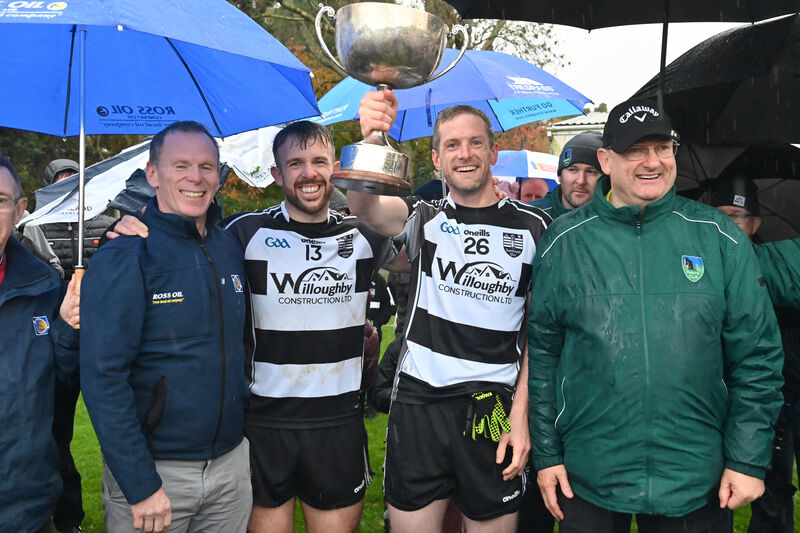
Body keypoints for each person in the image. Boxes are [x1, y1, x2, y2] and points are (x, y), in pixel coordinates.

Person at [529, 98, 784, 533]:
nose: (653, 162)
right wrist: (547, 455)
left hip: (694, 477)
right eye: (635, 150)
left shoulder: (720, 238)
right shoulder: (564, 241)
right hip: (588, 474)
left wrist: (746, 458)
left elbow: (757, 357)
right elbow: (545, 353)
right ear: (607, 161)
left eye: (662, 148)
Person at [351, 89, 551, 531]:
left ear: (493, 152)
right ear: (437, 159)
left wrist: (521, 417)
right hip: (420, 405)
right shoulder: (424, 217)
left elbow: (543, 334)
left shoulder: (534, 227)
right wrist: (371, 138)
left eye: (476, 142)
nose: (465, 153)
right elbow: (364, 207)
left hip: (492, 407)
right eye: (452, 145)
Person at [223, 121, 400, 533]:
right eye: (295, 163)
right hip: (265, 424)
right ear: (276, 174)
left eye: (319, 161)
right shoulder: (245, 233)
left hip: (338, 422)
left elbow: (422, 248)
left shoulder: (364, 235)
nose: (309, 173)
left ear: (334, 169)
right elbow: (187, 248)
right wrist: (132, 228)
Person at [80, 121, 252, 533]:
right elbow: (103, 378)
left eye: (207, 167)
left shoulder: (229, 246)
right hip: (157, 475)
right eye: (181, 165)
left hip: (230, 469)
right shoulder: (126, 255)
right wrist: (140, 485)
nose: (196, 177)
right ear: (152, 174)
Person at [709, 174, 800, 533]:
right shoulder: (700, 263)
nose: (725, 224)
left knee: (774, 487)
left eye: (734, 215)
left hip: (779, 396)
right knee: (721, 490)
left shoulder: (775, 260)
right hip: (723, 397)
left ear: (755, 223)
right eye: (717, 214)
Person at [0, 154, 80, 533]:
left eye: (0, 200)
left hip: (26, 505)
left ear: (19, 210)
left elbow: (61, 393)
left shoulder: (47, 288)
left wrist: (66, 328)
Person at [529, 131, 603, 218]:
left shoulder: (614, 221)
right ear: (560, 175)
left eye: (591, 172)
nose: (581, 181)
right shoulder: (531, 217)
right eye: (573, 170)